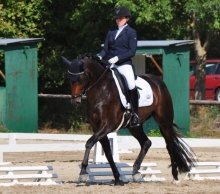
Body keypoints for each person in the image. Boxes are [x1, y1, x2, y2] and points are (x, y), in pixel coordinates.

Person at [99, 6, 140, 127]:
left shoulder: (131, 32)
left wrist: (118, 58)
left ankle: (135, 114)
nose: (118, 20)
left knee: (131, 85)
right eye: (116, 18)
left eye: (120, 18)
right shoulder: (111, 31)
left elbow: (132, 51)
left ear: (127, 18)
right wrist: (100, 57)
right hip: (110, 64)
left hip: (123, 64)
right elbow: (105, 48)